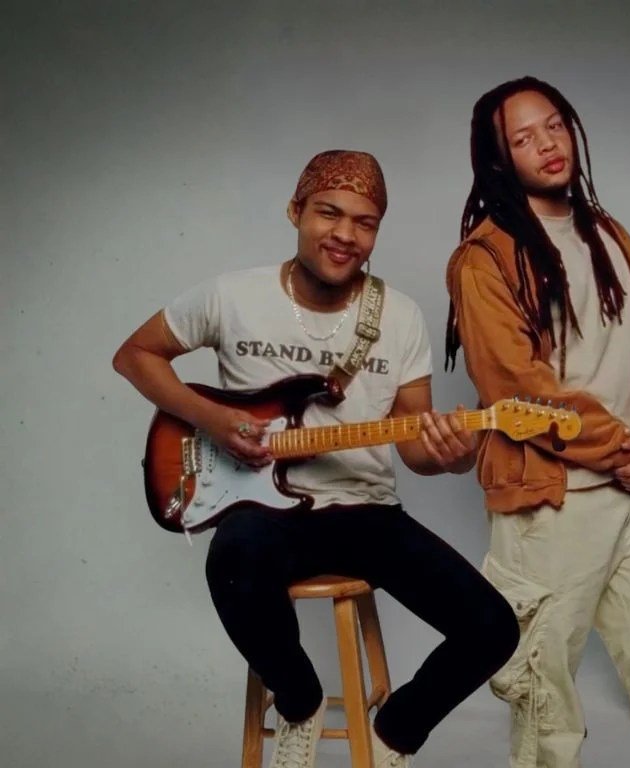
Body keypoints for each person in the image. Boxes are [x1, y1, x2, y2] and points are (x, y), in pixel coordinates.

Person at [113, 149, 519, 768]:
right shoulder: (232, 295)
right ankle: (300, 701)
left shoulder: (399, 316)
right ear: (295, 211)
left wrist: (454, 456)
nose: (345, 234)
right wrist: (213, 419)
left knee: (492, 627)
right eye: (329, 213)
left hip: (367, 512)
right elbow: (135, 356)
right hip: (266, 511)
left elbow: (415, 446)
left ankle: (394, 733)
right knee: (234, 557)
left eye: (364, 222)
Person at [445, 78, 630, 768]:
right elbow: (518, 387)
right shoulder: (486, 257)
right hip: (551, 503)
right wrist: (621, 446)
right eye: (523, 138)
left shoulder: (607, 232)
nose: (548, 144)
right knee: (545, 700)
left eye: (554, 125)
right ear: (499, 158)